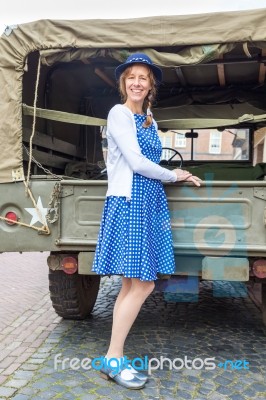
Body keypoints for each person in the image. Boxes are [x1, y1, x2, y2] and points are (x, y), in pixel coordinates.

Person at [92, 53, 201, 389]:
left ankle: (114, 357)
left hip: (147, 201)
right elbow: (137, 163)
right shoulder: (120, 114)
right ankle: (113, 358)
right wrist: (173, 175)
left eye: (143, 77)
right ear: (123, 82)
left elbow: (150, 159)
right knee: (143, 284)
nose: (137, 82)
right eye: (131, 77)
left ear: (151, 84)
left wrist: (175, 172)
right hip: (131, 200)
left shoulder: (148, 117)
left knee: (130, 283)